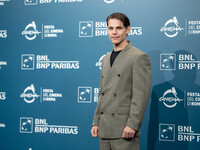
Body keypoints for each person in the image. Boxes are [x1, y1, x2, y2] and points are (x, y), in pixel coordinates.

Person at [91, 12, 151, 150]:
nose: (114, 32)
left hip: (124, 130)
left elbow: (140, 96)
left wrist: (132, 124)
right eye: (110, 28)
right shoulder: (105, 58)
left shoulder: (139, 57)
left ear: (127, 30)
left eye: (118, 28)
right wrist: (96, 121)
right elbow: (103, 94)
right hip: (104, 129)